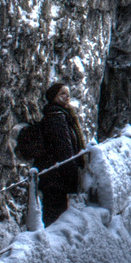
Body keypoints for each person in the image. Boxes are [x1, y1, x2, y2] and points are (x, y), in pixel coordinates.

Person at [35, 82, 87, 225]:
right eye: (62, 93)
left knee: (57, 214)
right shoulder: (56, 117)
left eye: (67, 93)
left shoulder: (62, 115)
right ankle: (50, 244)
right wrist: (72, 173)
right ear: (54, 97)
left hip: (55, 174)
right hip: (55, 175)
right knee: (56, 217)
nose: (67, 96)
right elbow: (63, 147)